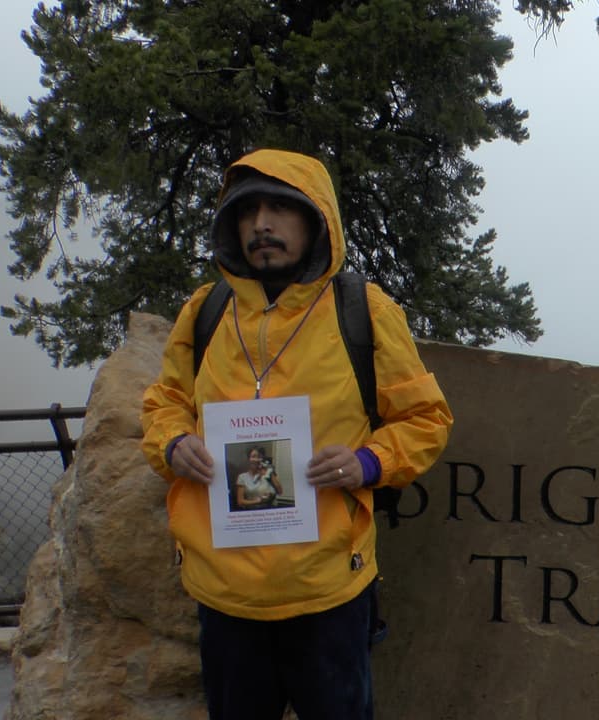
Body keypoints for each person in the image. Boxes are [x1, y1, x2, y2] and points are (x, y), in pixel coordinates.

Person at [140, 148, 452, 720]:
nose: (261, 223)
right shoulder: (205, 311)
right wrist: (172, 444)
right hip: (225, 596)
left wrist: (369, 462)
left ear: (317, 221)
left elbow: (426, 419)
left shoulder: (364, 309)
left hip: (329, 594)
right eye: (248, 210)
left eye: (281, 208)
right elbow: (165, 404)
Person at [233, 446, 283, 510]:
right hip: (253, 513)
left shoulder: (269, 473)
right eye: (253, 456)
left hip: (271, 511)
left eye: (259, 457)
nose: (256, 460)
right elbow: (240, 502)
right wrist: (258, 501)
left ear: (262, 459)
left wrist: (270, 472)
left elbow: (280, 492)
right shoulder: (242, 477)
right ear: (248, 459)